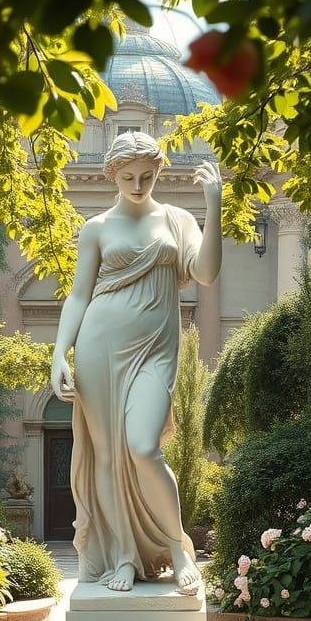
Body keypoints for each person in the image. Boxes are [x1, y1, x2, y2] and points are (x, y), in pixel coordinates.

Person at [51, 131, 223, 592]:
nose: (138, 183)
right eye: (127, 176)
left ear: (158, 173)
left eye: (146, 175)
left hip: (154, 349)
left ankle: (177, 549)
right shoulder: (98, 227)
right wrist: (58, 352)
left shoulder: (177, 219)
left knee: (143, 447)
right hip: (98, 347)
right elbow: (79, 295)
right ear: (113, 175)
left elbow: (205, 273)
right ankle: (123, 556)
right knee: (107, 457)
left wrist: (214, 205)